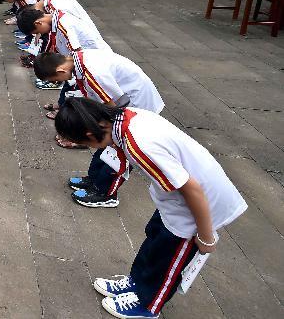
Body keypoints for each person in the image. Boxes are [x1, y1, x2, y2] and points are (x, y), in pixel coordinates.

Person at [55, 98, 247, 319]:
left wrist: (205, 236)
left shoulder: (138, 143)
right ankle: (136, 283)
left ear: (89, 135)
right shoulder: (122, 119)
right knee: (154, 239)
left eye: (85, 145)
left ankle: (148, 305)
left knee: (167, 257)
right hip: (175, 198)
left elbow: (192, 189)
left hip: (198, 205)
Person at [33, 49, 164, 209]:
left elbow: (113, 105)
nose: (57, 83)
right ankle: (94, 180)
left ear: (61, 70)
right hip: (122, 105)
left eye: (55, 79)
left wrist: (100, 129)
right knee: (104, 145)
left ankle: (106, 194)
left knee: (117, 151)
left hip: (135, 106)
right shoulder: (78, 61)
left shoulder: (92, 73)